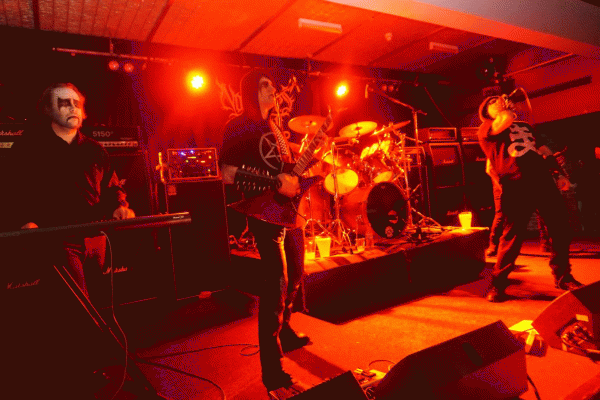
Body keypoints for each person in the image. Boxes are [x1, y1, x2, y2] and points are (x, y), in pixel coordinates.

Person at [219, 69, 311, 394]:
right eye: (266, 86)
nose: (273, 90)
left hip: (287, 211)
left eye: (273, 85)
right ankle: (272, 371)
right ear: (251, 92)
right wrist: (274, 182)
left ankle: (285, 328)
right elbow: (226, 172)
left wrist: (303, 168)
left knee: (296, 271)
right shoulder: (238, 126)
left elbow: (284, 171)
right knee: (276, 283)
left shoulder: (276, 126)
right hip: (262, 211)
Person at [3, 82, 135, 298]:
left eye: (76, 104)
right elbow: (11, 189)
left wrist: (119, 206)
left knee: (97, 301)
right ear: (47, 109)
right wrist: (24, 220)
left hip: (95, 237)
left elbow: (112, 186)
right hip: (57, 239)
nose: (72, 108)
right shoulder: (29, 146)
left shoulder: (95, 149)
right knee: (77, 305)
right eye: (64, 103)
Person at [477, 94, 583, 302]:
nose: (498, 101)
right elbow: (505, 120)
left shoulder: (525, 126)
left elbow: (543, 150)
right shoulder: (487, 128)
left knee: (560, 228)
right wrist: (505, 106)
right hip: (515, 184)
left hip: (542, 181)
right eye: (492, 102)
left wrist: (559, 173)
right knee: (512, 236)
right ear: (486, 112)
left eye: (499, 99)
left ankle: (563, 276)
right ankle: (498, 283)